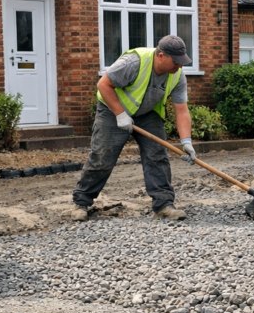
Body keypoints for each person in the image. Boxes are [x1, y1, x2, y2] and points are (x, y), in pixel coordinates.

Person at [72, 35, 195, 221]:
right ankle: (81, 202)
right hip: (112, 110)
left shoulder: (177, 75)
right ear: (161, 56)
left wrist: (186, 141)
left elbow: (181, 110)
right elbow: (103, 85)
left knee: (157, 156)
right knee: (102, 156)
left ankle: (163, 205)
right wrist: (121, 114)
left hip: (147, 113)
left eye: (181, 62)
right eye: (176, 62)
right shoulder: (133, 63)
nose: (179, 66)